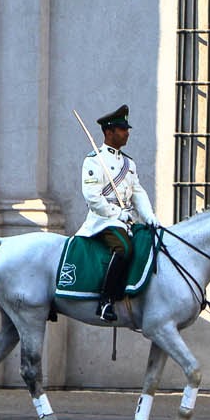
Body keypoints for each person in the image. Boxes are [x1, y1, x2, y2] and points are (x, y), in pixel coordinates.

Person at [78, 104, 156, 322]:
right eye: (122, 129)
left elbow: (138, 192)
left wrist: (149, 216)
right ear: (108, 132)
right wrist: (116, 213)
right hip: (102, 221)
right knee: (122, 249)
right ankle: (106, 300)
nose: (126, 132)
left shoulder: (129, 163)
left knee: (147, 243)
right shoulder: (94, 160)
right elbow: (92, 197)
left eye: (127, 128)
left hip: (126, 221)